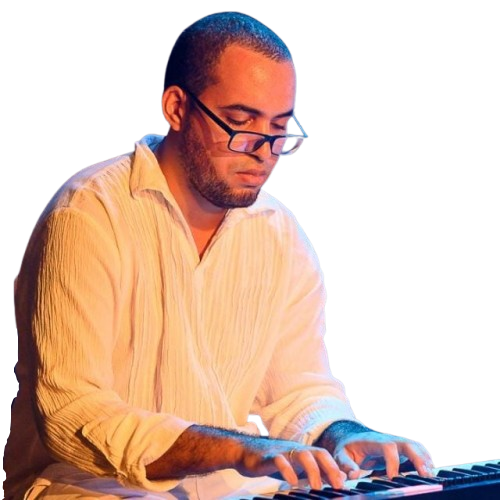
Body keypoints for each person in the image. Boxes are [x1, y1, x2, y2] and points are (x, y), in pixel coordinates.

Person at [4, 11, 434, 500]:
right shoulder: (88, 214)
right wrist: (241, 450)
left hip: (230, 491)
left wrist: (344, 435)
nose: (263, 151)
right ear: (176, 108)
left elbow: (299, 389)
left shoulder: (279, 234)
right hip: (90, 489)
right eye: (240, 122)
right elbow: (72, 413)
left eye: (279, 128)